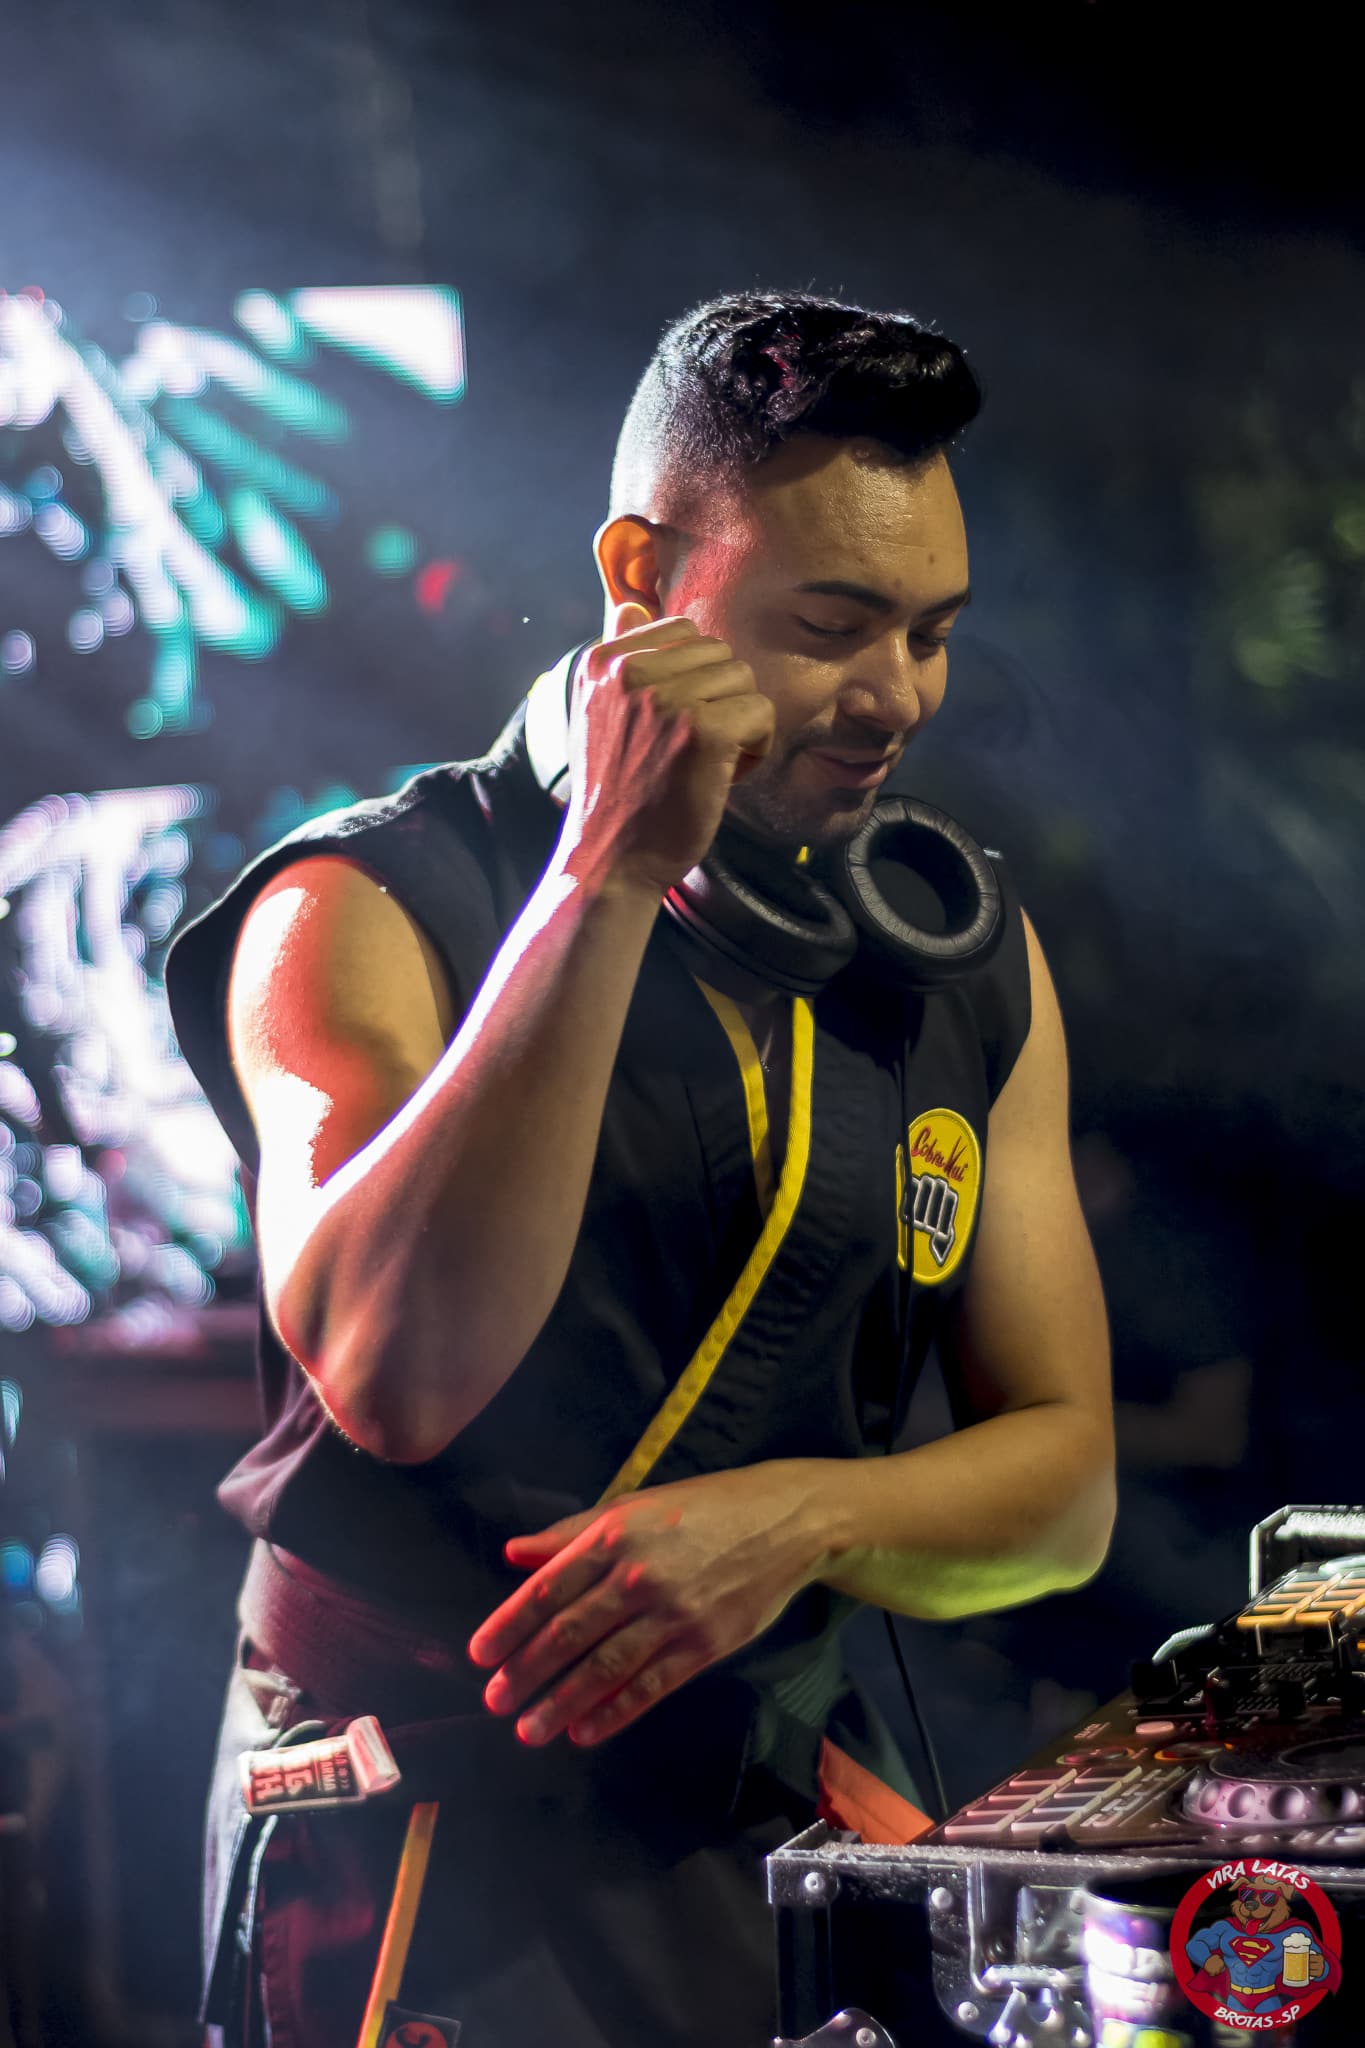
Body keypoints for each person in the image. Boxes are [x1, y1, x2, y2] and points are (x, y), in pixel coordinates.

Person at [165, 290, 1115, 2048]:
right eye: (830, 626)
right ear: (638, 578)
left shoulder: (954, 961)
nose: (894, 697)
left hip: (765, 1811)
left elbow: (1063, 1493)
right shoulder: (356, 910)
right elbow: (396, 1378)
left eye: (931, 634)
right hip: (421, 1863)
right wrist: (603, 869)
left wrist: (804, 1519)